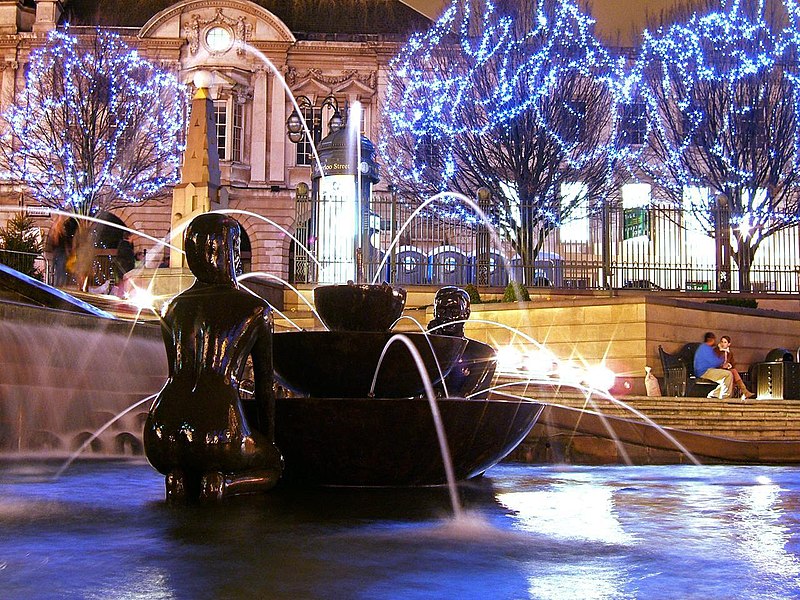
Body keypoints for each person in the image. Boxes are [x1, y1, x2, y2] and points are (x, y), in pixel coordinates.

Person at [143, 213, 283, 502]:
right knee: (274, 464)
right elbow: (264, 386)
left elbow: (176, 373)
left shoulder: (170, 308)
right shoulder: (256, 309)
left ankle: (178, 478)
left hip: (160, 433)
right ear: (230, 252)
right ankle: (224, 485)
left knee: (183, 459)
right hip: (220, 433)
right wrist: (266, 438)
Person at [693, 331, 734, 399]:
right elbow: (714, 362)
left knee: (724, 377)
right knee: (728, 374)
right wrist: (723, 361)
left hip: (702, 371)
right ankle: (725, 396)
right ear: (711, 340)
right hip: (704, 371)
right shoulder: (707, 348)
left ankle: (714, 394)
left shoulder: (702, 347)